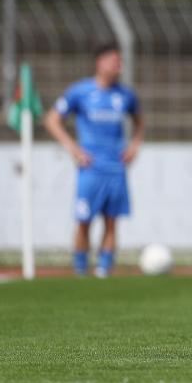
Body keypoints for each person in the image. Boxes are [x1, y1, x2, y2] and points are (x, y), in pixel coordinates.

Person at [44, 43, 143, 278]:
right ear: (100, 63)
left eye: (119, 61)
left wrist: (135, 145)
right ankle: (80, 270)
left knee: (112, 221)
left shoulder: (125, 95)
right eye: (113, 60)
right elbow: (52, 119)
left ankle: (103, 271)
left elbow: (140, 121)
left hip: (116, 168)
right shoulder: (81, 91)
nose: (118, 65)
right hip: (90, 168)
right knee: (84, 220)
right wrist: (73, 148)